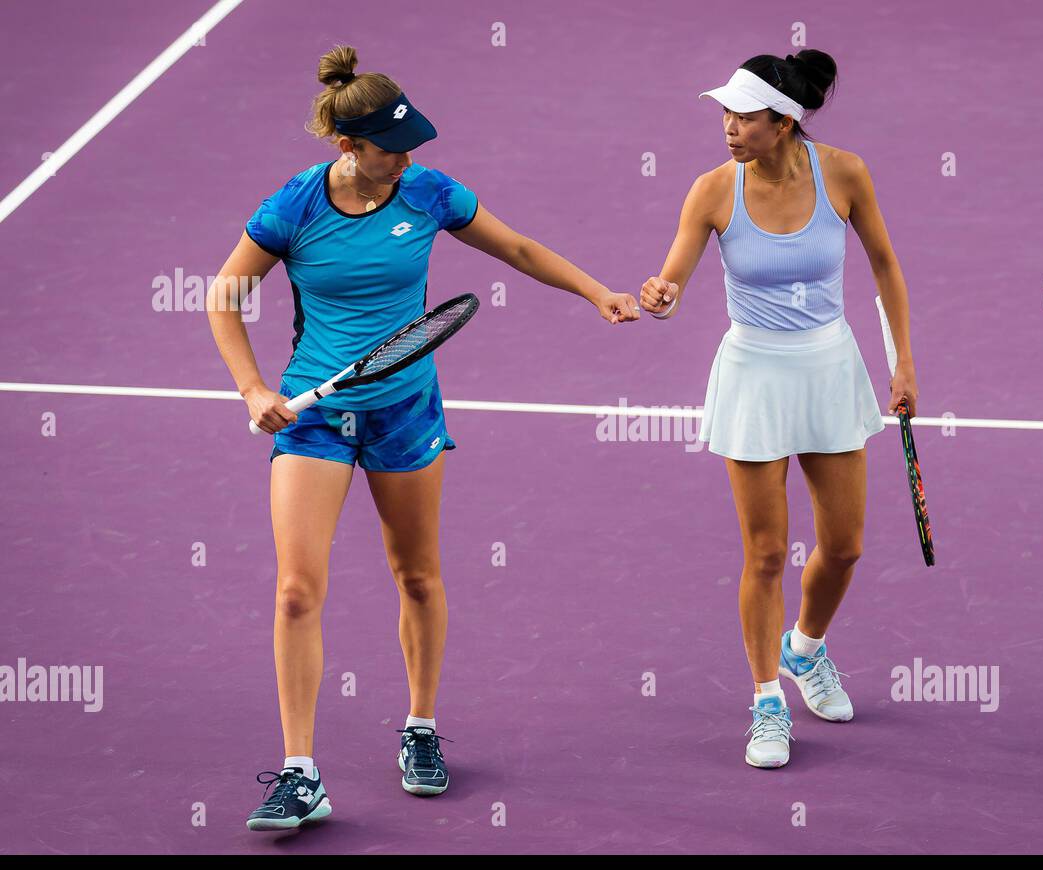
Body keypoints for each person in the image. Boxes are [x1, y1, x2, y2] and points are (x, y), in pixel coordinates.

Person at [206, 45, 639, 830]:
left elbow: (517, 249)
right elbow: (223, 297)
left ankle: (421, 728)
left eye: (410, 146)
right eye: (390, 149)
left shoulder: (430, 193)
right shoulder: (294, 207)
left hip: (406, 407)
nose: (406, 160)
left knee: (417, 576)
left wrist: (595, 291)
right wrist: (253, 387)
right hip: (317, 417)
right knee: (297, 589)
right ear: (347, 146)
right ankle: (301, 773)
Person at [639, 50, 918, 768]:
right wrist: (661, 298)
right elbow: (673, 275)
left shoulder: (845, 173)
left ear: (785, 122)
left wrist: (903, 361)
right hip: (755, 375)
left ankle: (805, 648)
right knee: (764, 553)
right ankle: (767, 700)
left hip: (830, 368)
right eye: (725, 114)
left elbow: (885, 263)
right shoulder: (711, 190)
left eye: (744, 116)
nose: (729, 127)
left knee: (846, 543)